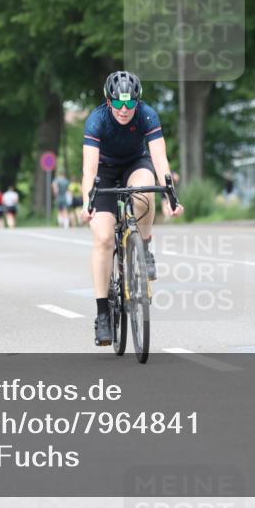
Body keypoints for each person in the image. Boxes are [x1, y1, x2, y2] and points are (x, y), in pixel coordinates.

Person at [80, 71, 184, 346]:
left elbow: (160, 160)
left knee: (145, 192)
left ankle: (145, 245)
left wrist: (171, 196)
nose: (124, 110)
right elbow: (89, 168)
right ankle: (103, 314)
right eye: (118, 104)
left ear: (138, 101)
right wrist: (85, 201)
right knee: (103, 239)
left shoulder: (147, 115)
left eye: (130, 104)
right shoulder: (97, 120)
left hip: (135, 164)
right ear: (108, 100)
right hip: (104, 172)